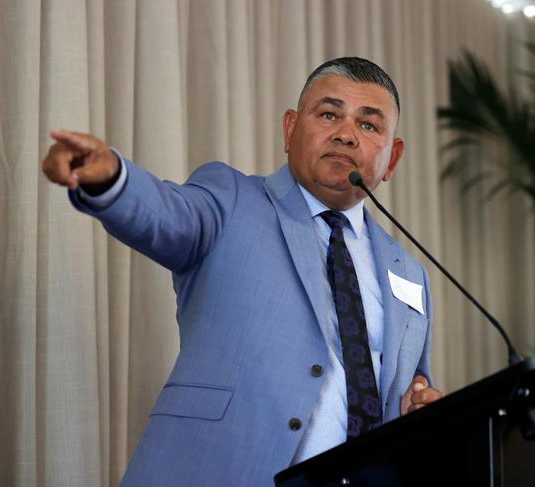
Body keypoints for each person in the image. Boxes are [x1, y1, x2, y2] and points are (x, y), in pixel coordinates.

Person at [41, 57, 443, 487]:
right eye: (328, 114)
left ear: (392, 157)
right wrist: (110, 180)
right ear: (290, 130)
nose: (346, 133)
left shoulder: (411, 272)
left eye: (369, 126)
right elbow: (164, 214)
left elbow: (410, 392)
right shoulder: (230, 199)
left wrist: (418, 411)